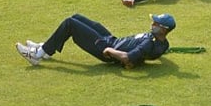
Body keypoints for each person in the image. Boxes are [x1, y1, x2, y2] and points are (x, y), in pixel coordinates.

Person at [15, 13, 175, 68]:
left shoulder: (149, 43)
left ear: (163, 29)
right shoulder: (162, 43)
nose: (152, 24)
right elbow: (152, 54)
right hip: (112, 39)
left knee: (70, 23)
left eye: (156, 23)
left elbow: (127, 58)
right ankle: (46, 48)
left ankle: (38, 55)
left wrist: (111, 51)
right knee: (76, 17)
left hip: (107, 48)